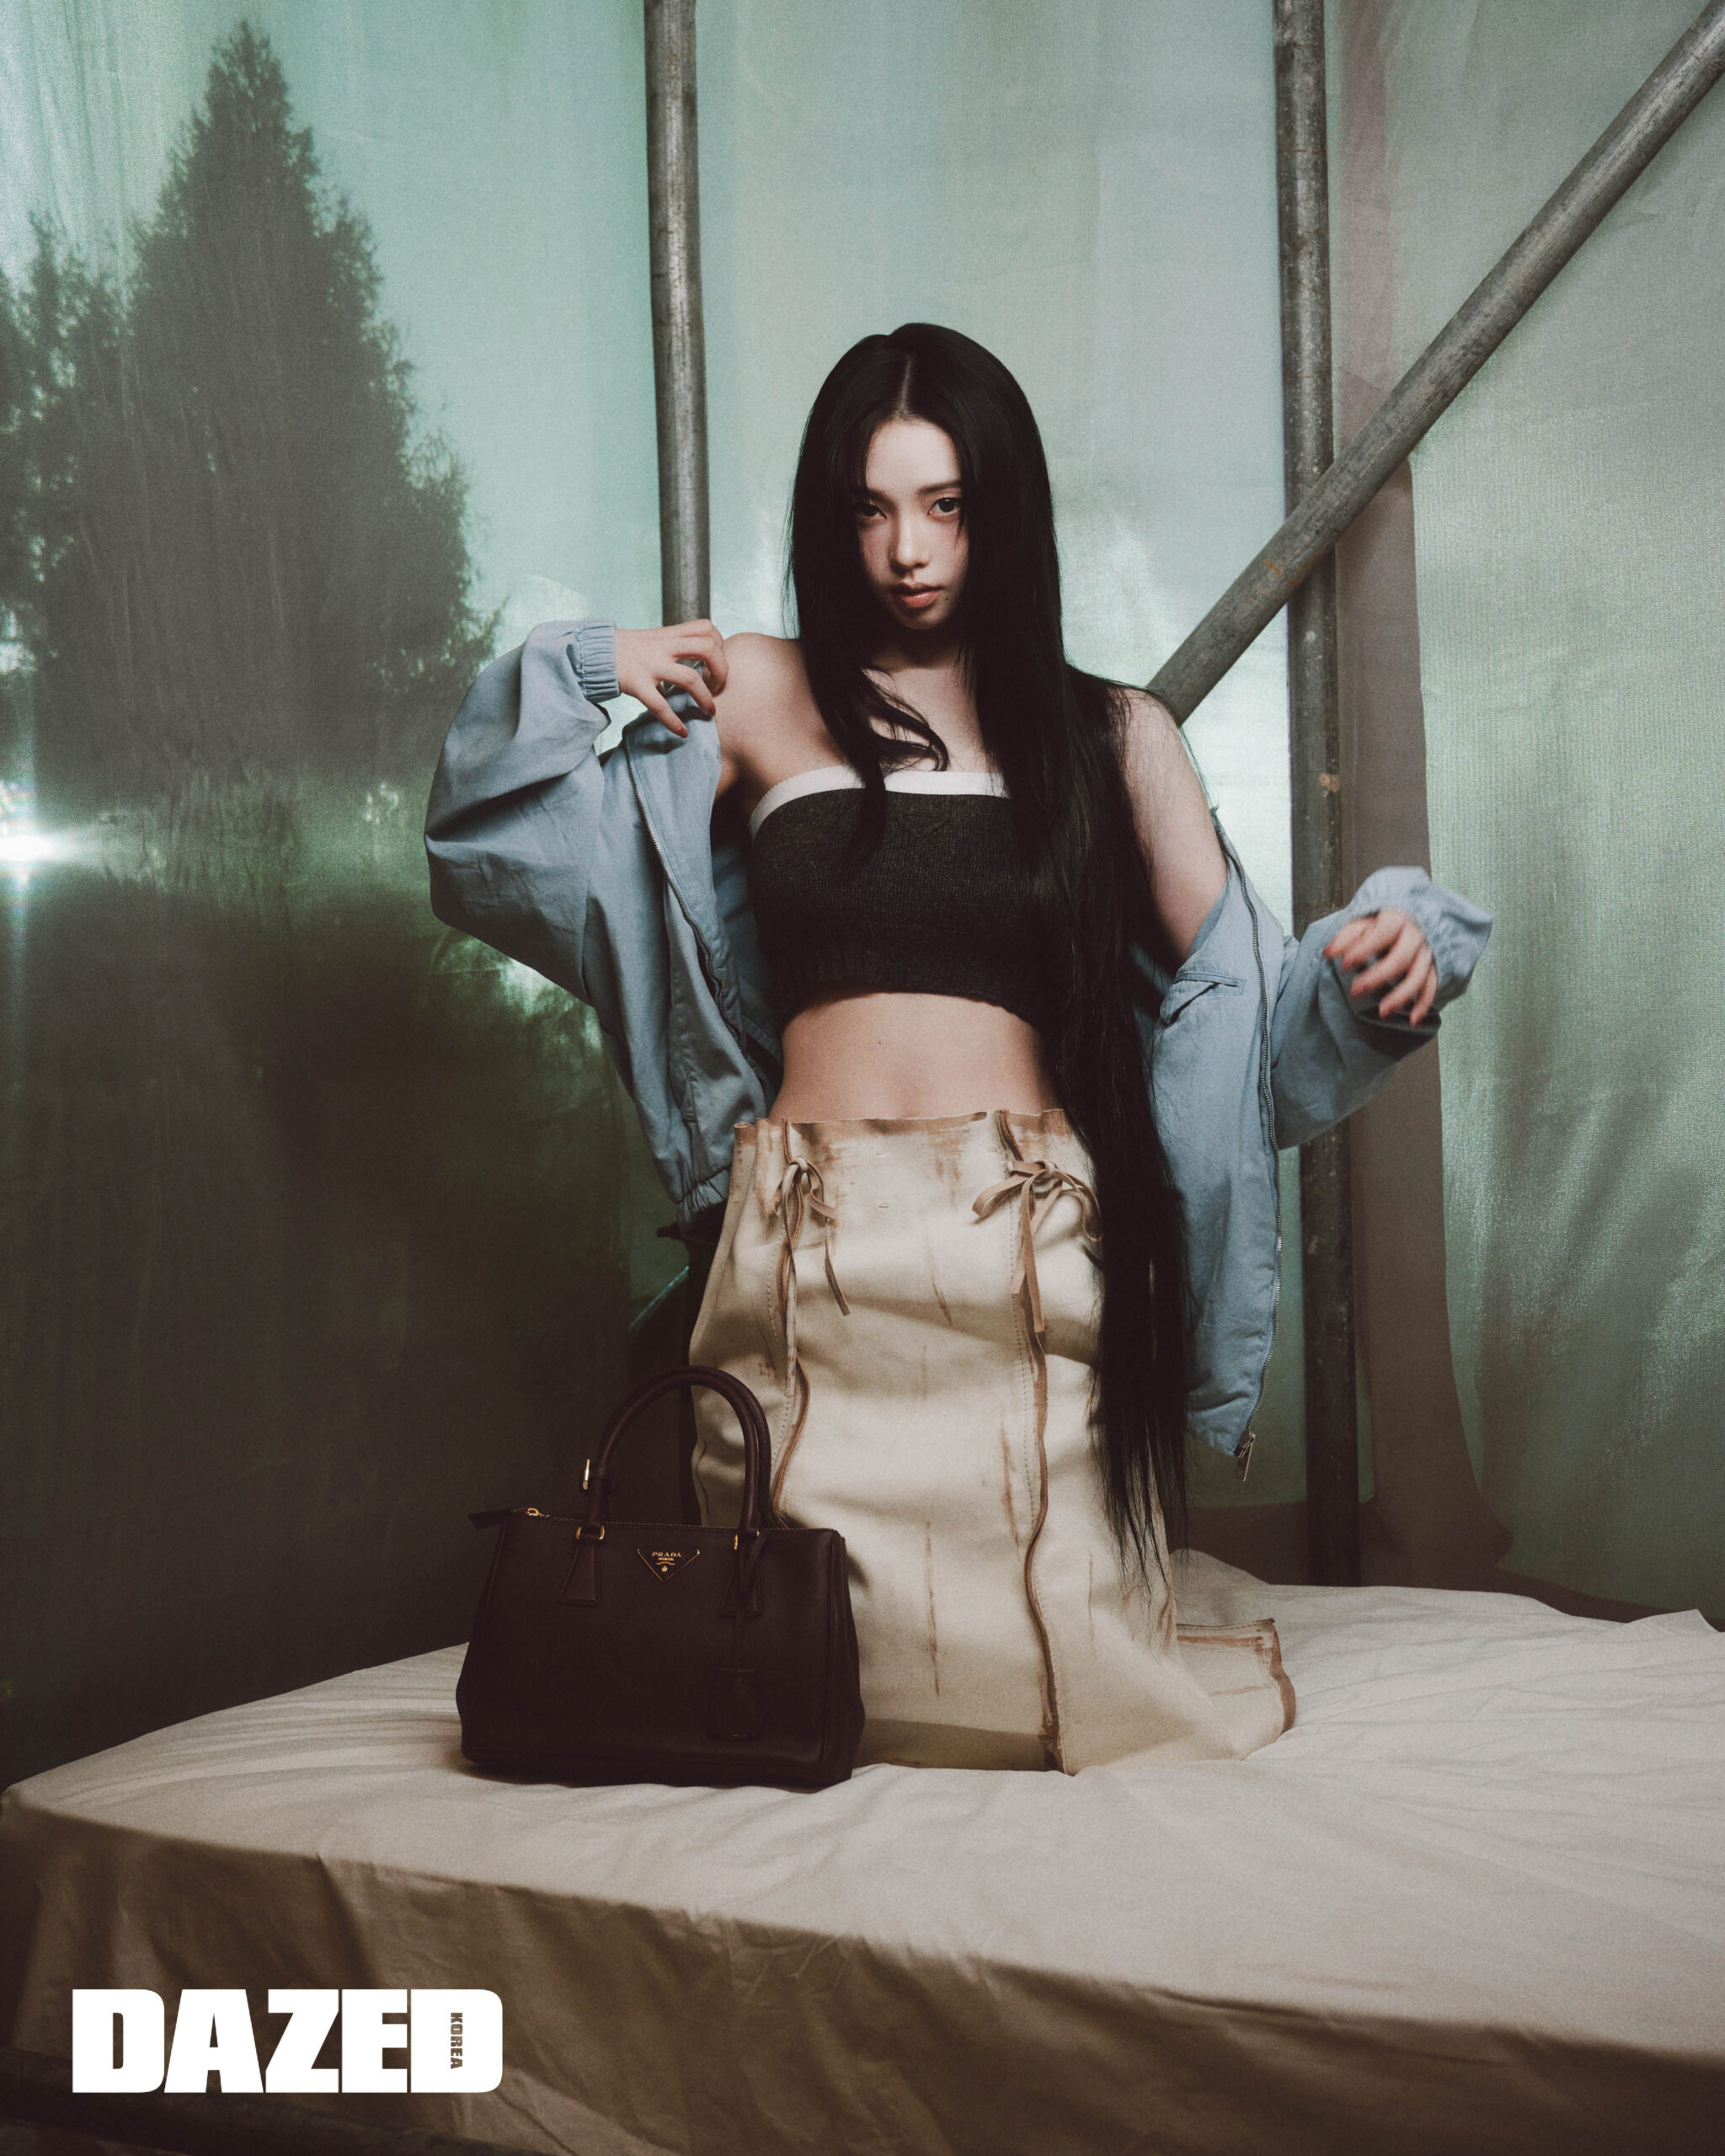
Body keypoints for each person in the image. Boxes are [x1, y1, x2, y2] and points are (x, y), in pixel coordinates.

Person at [425, 323, 1491, 1774]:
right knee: (784, 1654)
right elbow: (499, 844)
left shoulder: (1113, 735)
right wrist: (585, 668)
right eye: (870, 508)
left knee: (1046, 1673)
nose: (908, 550)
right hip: (804, 1259)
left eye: (946, 504)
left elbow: (1236, 1023)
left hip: (1025, 1260)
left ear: (1006, 512)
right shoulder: (757, 691)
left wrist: (1383, 967)